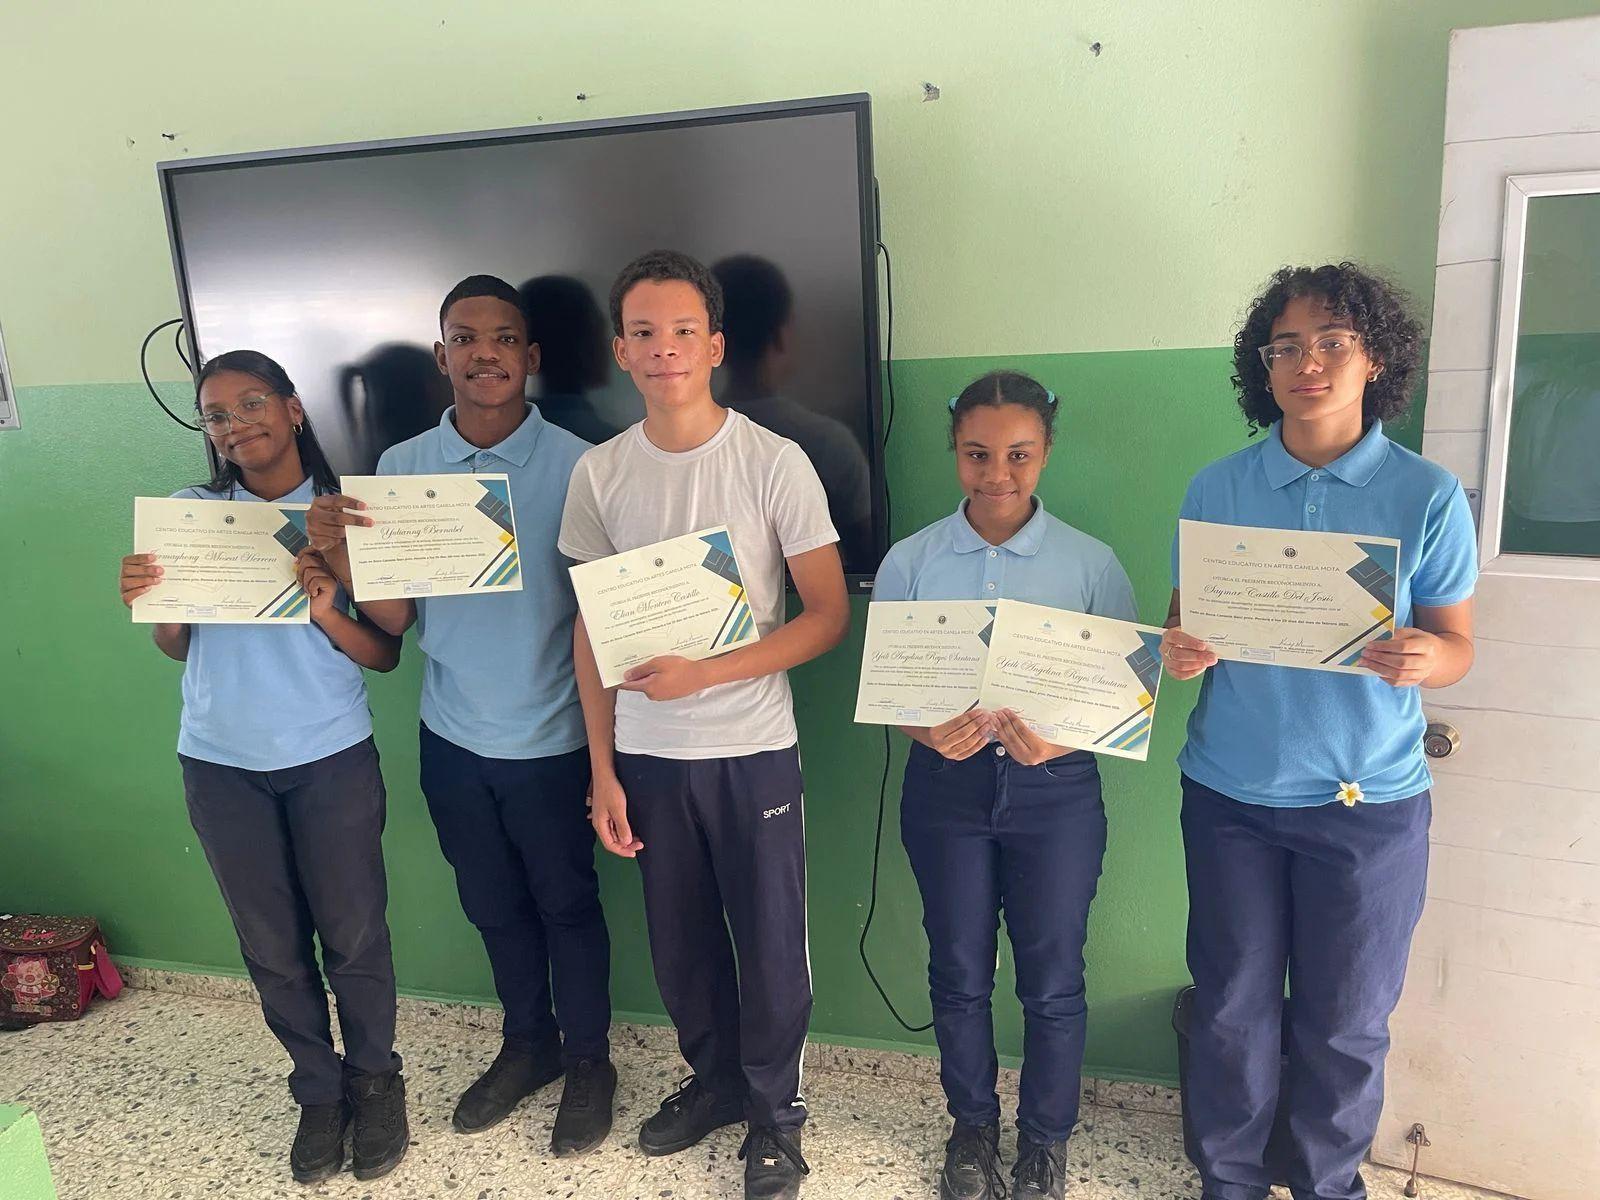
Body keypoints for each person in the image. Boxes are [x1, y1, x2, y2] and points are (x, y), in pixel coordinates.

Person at [1160, 264, 1478, 1200]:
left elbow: (1458, 647)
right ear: (1263, 367)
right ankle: (1229, 1181)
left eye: (1333, 342)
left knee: (1345, 1024)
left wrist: (1429, 657)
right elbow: (1186, 621)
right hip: (1231, 799)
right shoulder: (1218, 486)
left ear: (1375, 358)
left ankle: (1328, 1185)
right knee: (1229, 1013)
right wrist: (1181, 650)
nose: (1309, 363)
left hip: (1368, 806)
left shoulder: (1426, 494)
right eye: (1286, 347)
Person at [559, 249, 850, 1200]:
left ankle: (776, 1118)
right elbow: (590, 631)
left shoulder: (774, 462)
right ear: (621, 351)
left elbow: (825, 616)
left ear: (715, 346)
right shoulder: (601, 474)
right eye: (644, 332)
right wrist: (602, 769)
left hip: (751, 751)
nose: (665, 348)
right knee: (680, 949)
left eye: (684, 330)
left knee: (771, 950)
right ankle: (716, 1083)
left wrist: (708, 675)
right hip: (648, 759)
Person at [306, 276, 616, 1157]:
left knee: (567, 906)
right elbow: (397, 619)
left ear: (532, 356)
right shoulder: (400, 469)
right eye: (467, 338)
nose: (487, 353)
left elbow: (607, 614)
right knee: (493, 907)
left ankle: (589, 1062)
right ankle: (530, 1045)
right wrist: (341, 554)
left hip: (554, 738)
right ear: (442, 356)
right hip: (451, 738)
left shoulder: (585, 465)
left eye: (505, 338)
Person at [117, 349, 408, 1184]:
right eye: (217, 414)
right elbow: (179, 646)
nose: (235, 425)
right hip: (220, 764)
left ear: (293, 408)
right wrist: (153, 603)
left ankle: (375, 1081)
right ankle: (317, 1091)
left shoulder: (343, 512)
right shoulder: (190, 514)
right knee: (272, 948)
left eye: (252, 404)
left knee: (354, 936)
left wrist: (326, 603)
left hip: (329, 758)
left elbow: (386, 649)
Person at [871, 370, 1137, 1200]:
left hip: (1056, 793)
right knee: (957, 970)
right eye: (977, 454)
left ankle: (1045, 1142)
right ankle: (972, 1127)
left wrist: (1060, 738)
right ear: (955, 452)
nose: (997, 474)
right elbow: (892, 689)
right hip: (944, 791)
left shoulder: (1090, 564)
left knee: (1053, 978)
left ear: (1046, 451)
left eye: (1019, 454)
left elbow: (1127, 690)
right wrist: (925, 730)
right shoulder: (911, 561)